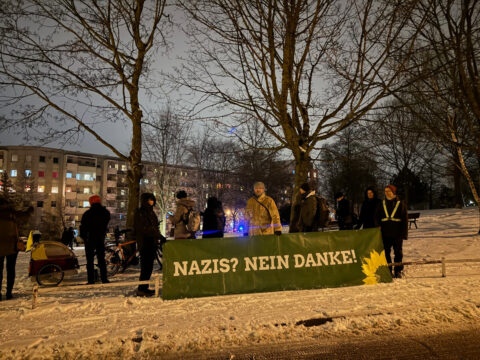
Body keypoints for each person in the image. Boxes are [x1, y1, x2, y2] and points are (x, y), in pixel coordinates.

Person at [0, 197, 33, 300]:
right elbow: (25, 215)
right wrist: (29, 210)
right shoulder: (11, 213)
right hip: (11, 246)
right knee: (11, 270)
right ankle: (9, 293)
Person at [376, 185, 408, 278]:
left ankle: (398, 271)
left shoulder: (400, 203)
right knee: (386, 253)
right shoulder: (381, 204)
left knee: (398, 253)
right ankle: (388, 270)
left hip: (397, 233)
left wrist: (404, 234)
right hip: (385, 233)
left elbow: (405, 219)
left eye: (389, 191)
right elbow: (376, 216)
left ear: (393, 192)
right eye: (385, 191)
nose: (387, 193)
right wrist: (378, 224)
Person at [134, 193, 161, 297]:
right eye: (149, 200)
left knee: (149, 267)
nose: (151, 202)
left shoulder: (151, 212)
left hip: (152, 242)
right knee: (145, 267)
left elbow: (155, 227)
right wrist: (157, 234)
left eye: (152, 200)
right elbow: (144, 228)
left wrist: (158, 236)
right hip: (145, 243)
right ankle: (141, 289)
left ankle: (144, 287)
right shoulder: (140, 212)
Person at [80, 195, 110, 284]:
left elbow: (83, 227)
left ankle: (91, 280)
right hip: (100, 238)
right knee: (101, 259)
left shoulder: (87, 214)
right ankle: (104, 278)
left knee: (90, 261)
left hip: (90, 239)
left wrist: (84, 237)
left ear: (91, 202)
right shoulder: (105, 212)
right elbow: (106, 223)